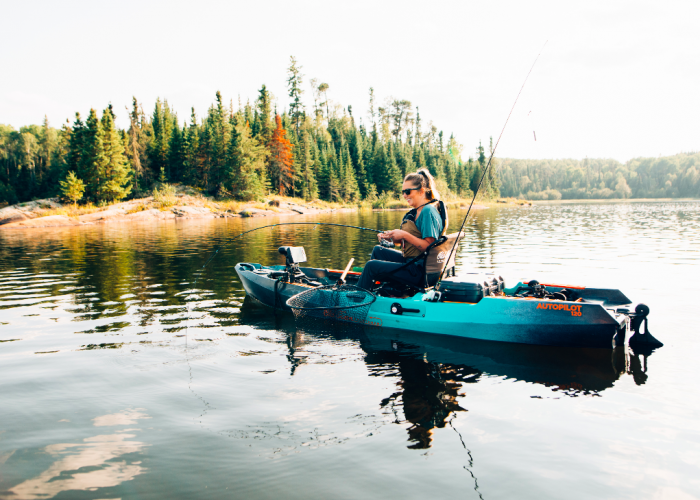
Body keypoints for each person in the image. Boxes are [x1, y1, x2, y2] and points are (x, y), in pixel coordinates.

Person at [357, 169, 447, 291]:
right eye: (403, 192)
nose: (404, 195)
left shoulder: (428, 211)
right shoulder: (417, 211)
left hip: (419, 272)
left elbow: (430, 247)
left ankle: (358, 298)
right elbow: (412, 243)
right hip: (412, 263)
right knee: (378, 251)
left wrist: (404, 234)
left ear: (421, 191)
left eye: (408, 191)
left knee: (371, 266)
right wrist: (394, 238)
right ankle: (377, 289)